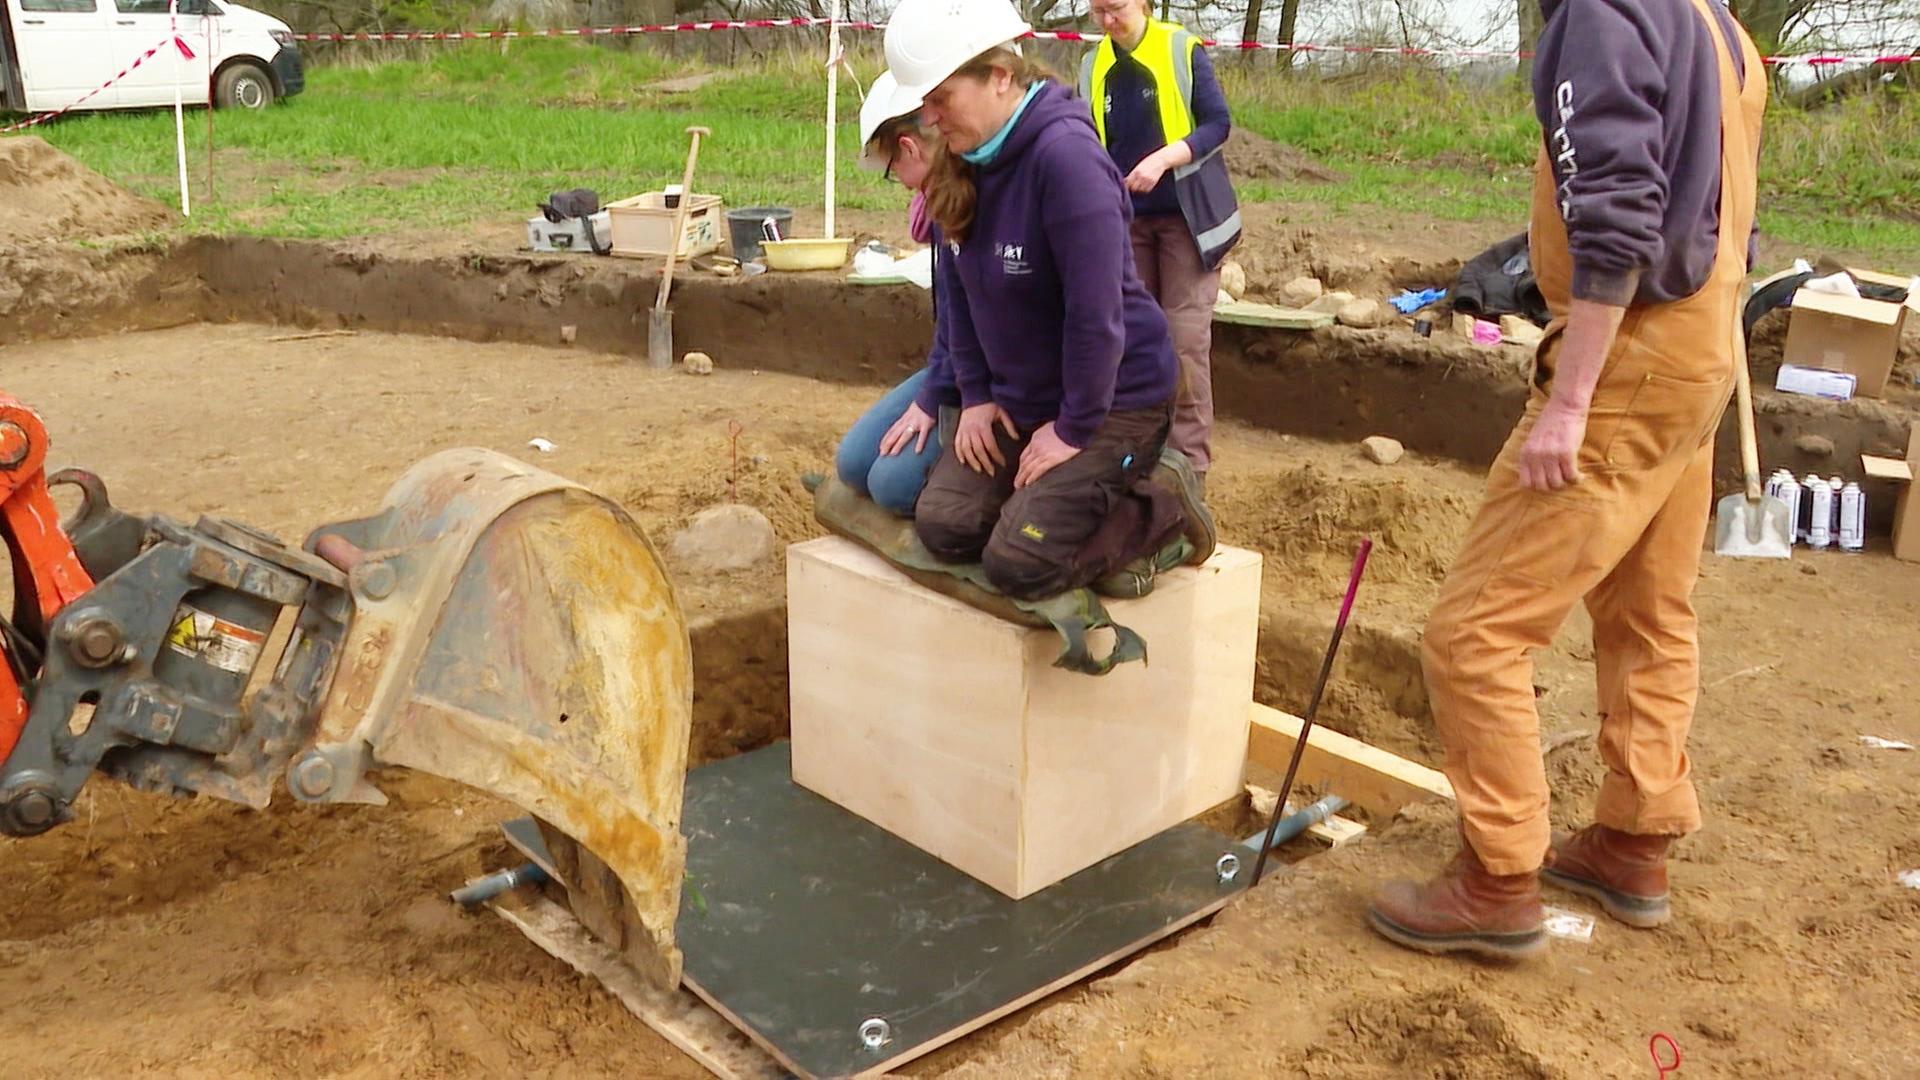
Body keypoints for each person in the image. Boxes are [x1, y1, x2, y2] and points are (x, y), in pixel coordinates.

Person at [1367, 0, 1767, 960]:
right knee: (1648, 611)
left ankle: (1497, 879)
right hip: (1704, 343)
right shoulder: (1715, 20)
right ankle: (1635, 837)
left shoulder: (1603, 11)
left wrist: (1573, 397)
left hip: (1634, 354)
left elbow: (1618, 206)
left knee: (1474, 633)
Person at [874, 0, 1212, 601]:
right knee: (945, 525)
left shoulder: (1066, 160)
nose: (929, 116)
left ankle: (1160, 508)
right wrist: (975, 395)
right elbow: (959, 286)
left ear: (999, 77)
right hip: (1023, 398)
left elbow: (1096, 315)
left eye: (940, 98)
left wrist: (1074, 431)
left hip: (1112, 401)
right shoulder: (967, 155)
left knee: (1019, 562)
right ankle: (1051, 501)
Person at [1081, 0, 1240, 481]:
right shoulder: (1093, 64)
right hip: (1128, 223)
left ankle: (1188, 470)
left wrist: (1163, 160)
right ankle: (1138, 458)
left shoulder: (1180, 49)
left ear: (1145, 4)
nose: (1109, 21)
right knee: (1132, 341)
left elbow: (1218, 123)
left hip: (1188, 222)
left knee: (1183, 343)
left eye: (1117, 9)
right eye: (1098, 11)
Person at [833, 74, 956, 516]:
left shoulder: (969, 204)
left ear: (909, 148)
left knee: (892, 487)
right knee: (853, 464)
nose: (899, 183)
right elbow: (954, 324)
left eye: (891, 172)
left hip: (991, 380)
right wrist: (933, 393)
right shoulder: (942, 205)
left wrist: (935, 399)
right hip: (955, 366)